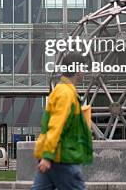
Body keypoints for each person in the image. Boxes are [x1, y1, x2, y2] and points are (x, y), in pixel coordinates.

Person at [32, 54, 93, 190]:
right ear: (78, 70)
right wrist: (48, 156)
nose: (84, 71)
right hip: (63, 158)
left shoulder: (61, 90)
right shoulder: (66, 94)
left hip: (53, 157)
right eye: (83, 67)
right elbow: (57, 125)